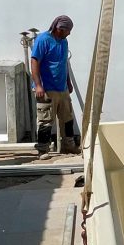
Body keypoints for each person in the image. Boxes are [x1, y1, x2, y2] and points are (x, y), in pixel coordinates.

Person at [30, 15, 81, 159]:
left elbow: (64, 63)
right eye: (68, 30)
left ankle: (68, 145)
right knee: (46, 120)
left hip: (62, 88)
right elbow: (34, 62)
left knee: (67, 118)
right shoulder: (43, 40)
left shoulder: (64, 42)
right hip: (46, 88)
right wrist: (38, 85)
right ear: (59, 29)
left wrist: (68, 82)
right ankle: (43, 150)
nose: (69, 33)